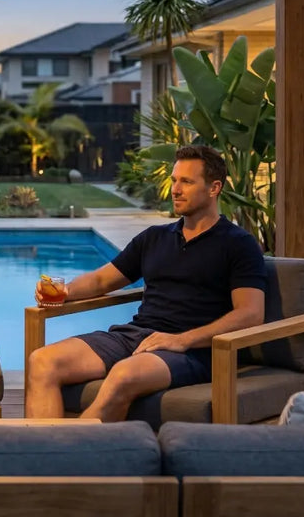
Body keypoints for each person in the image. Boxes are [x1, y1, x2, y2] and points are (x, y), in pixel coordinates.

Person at [25, 145, 266, 421]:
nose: (175, 190)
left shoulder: (238, 244)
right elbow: (102, 279)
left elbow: (250, 313)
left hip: (194, 350)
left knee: (124, 374)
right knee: (42, 361)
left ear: (214, 188)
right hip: (135, 335)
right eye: (174, 180)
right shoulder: (154, 238)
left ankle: (72, 446)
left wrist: (181, 340)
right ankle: (48, 446)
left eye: (187, 182)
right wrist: (63, 291)